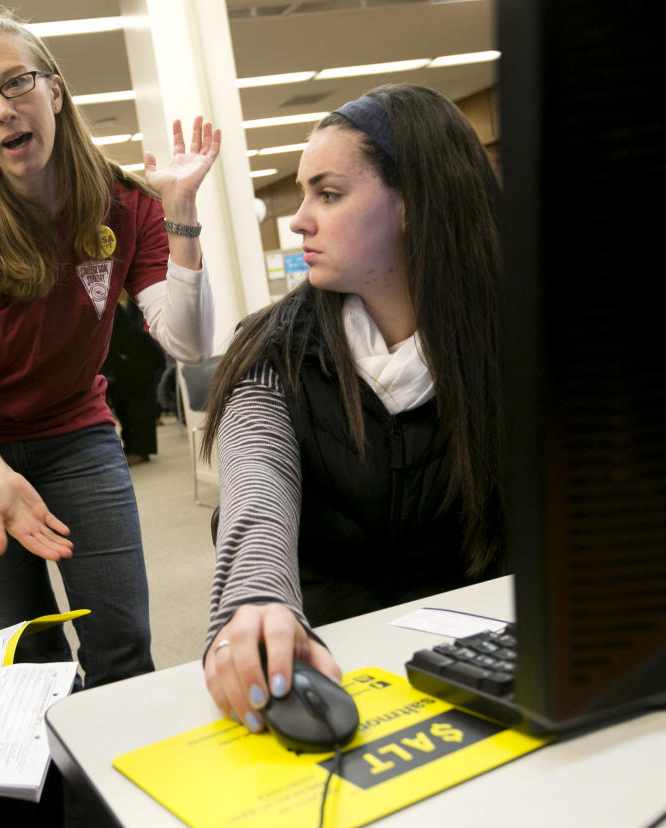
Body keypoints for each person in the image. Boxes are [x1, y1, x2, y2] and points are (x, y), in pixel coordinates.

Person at [0, 13, 218, 688]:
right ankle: (56, 792)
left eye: (17, 84)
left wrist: (184, 216)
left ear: (56, 92)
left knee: (121, 641)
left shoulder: (127, 204)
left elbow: (188, 342)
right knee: (28, 660)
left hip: (75, 435)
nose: (3, 109)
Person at [201, 84, 505, 736]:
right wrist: (255, 599)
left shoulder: (519, 338)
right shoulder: (271, 350)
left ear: (413, 205)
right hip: (333, 653)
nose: (298, 219)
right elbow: (257, 489)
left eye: (328, 194)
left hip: (484, 656)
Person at [100, 292, 167, 465]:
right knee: (124, 405)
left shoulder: (102, 303)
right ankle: (133, 448)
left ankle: (139, 451)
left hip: (138, 357)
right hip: (126, 358)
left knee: (138, 406)